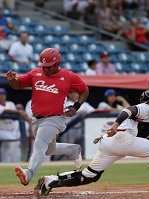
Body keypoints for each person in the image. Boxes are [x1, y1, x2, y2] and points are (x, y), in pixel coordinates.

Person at [34, 89, 149, 197]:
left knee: (89, 176)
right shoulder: (147, 108)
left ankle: (49, 181)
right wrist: (115, 125)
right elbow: (129, 110)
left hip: (109, 143)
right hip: (123, 139)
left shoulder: (148, 119)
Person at [6, 48, 90, 186]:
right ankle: (73, 150)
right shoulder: (35, 73)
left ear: (57, 64)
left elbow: (84, 90)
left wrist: (76, 106)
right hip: (37, 119)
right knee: (48, 149)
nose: (45, 69)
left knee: (39, 145)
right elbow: (18, 85)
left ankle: (28, 173)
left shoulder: (68, 76)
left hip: (55, 118)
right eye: (43, 66)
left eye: (48, 67)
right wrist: (11, 80)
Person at [0, 88, 27, 162]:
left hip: (12, 129)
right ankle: (17, 162)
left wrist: (17, 112)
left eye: (3, 94)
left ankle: (5, 163)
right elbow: (5, 111)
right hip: (0, 130)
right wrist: (19, 111)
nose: (2, 96)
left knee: (5, 147)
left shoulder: (10, 104)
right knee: (13, 142)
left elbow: (13, 113)